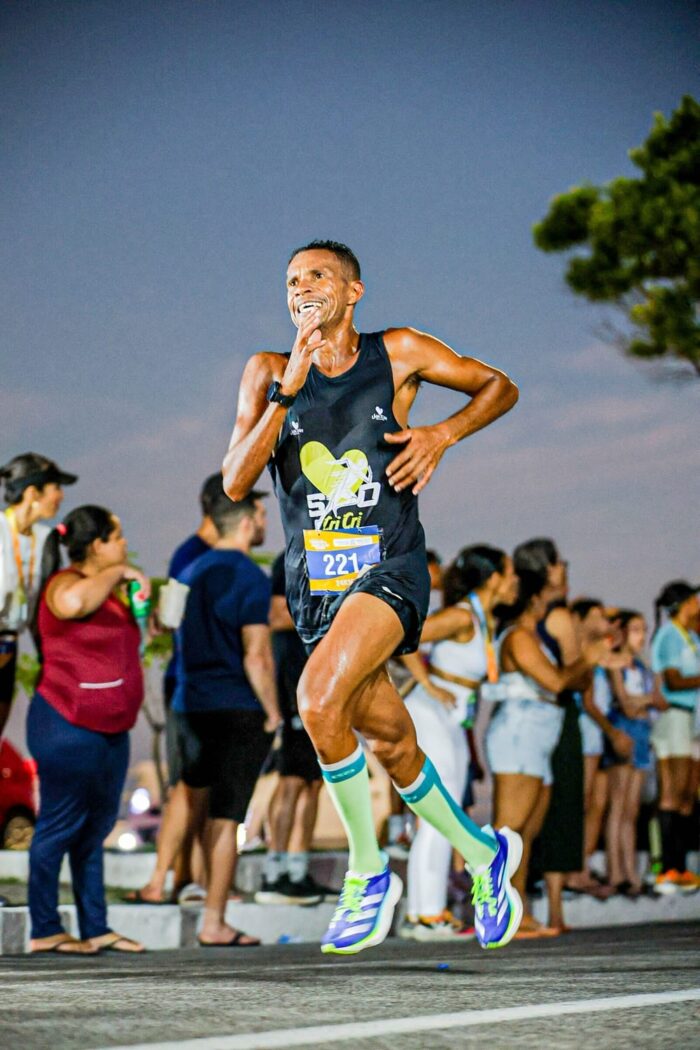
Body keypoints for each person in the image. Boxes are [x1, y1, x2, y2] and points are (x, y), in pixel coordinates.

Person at [223, 239, 521, 954]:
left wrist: (442, 434)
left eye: (317, 275)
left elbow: (499, 386)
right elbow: (235, 481)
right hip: (317, 591)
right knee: (390, 740)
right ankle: (484, 854)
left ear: (353, 291)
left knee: (316, 698)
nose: (301, 287)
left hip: (389, 569)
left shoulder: (399, 352)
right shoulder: (268, 370)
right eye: (291, 279)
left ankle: (366, 870)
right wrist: (289, 389)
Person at [27, 506, 148, 954]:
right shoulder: (63, 584)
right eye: (117, 537)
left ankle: (96, 926)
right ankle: (45, 928)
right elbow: (73, 604)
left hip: (112, 729)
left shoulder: (110, 592)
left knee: (94, 829)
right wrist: (119, 571)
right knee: (59, 826)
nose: (124, 544)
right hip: (67, 724)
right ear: (97, 545)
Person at [172, 489, 282, 946]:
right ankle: (214, 921)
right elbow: (257, 655)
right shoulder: (249, 575)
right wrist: (273, 712)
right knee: (227, 816)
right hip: (237, 706)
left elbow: (167, 627)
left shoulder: (189, 571)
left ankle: (192, 889)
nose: (265, 522)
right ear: (244, 522)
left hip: (189, 704)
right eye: (261, 515)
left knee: (197, 800)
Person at [126, 473, 238, 906]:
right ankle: (177, 880)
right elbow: (172, 620)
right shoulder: (193, 554)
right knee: (190, 789)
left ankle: (197, 881)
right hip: (194, 687)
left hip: (210, 688)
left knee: (204, 791)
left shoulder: (210, 555)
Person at [399, 545, 517, 940]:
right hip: (431, 712)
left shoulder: (483, 619)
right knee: (440, 808)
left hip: (454, 719)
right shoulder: (463, 616)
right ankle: (426, 913)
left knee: (444, 809)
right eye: (510, 573)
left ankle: (425, 911)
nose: (515, 581)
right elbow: (400, 635)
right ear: (494, 578)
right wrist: (429, 683)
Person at [485, 565, 608, 937]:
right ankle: (496, 909)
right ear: (533, 600)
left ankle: (517, 909)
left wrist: (583, 662)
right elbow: (556, 681)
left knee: (527, 831)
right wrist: (587, 658)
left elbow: (570, 682)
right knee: (510, 828)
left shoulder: (531, 637)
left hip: (539, 734)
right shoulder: (518, 637)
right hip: (519, 733)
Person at [255, 552, 330, 905]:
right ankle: (275, 872)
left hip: (323, 682)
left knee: (314, 784)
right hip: (294, 685)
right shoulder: (293, 557)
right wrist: (332, 613)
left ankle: (298, 871)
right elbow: (275, 615)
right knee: (291, 781)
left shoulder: (334, 550)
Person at [0, 453, 77, 736]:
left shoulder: (46, 541)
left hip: (7, 648)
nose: (61, 496)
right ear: (33, 492)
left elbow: (44, 611)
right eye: (56, 487)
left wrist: (53, 665)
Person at [567, 599, 632, 897]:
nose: (604, 620)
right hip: (588, 730)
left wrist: (616, 641)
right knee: (582, 802)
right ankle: (573, 872)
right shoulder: (581, 650)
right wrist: (613, 732)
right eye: (598, 616)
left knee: (598, 803)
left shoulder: (598, 650)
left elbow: (624, 660)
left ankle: (582, 866)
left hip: (598, 733)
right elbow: (589, 701)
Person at [604, 610, 660, 896]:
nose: (641, 636)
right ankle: (615, 872)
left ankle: (631, 872)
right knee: (618, 805)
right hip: (625, 731)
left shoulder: (641, 666)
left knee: (632, 809)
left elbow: (657, 700)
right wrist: (646, 701)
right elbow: (624, 703)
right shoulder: (616, 663)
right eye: (636, 630)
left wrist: (643, 701)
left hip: (642, 734)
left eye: (644, 630)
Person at [650, 580, 700, 894]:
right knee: (672, 792)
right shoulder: (670, 635)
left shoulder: (691, 636)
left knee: (686, 796)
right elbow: (673, 680)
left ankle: (680, 868)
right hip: (674, 716)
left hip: (692, 717)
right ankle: (666, 866)